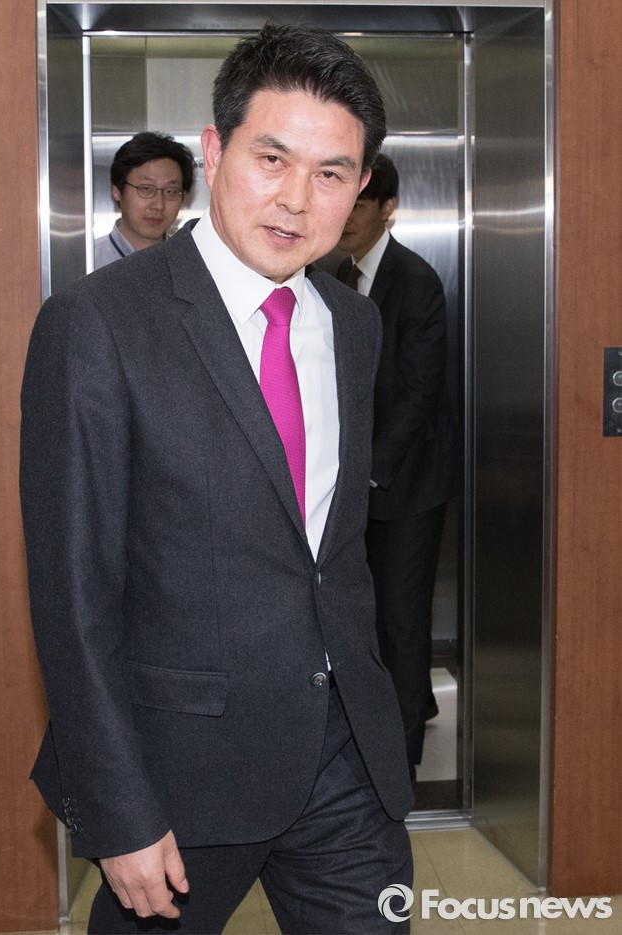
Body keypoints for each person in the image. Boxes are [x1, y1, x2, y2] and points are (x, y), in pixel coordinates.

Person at [21, 24, 413, 935]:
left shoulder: (353, 326)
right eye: (271, 158)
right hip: (178, 773)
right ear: (214, 150)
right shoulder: (98, 322)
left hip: (345, 760)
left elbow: (331, 550)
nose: (296, 199)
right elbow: (74, 596)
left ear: (361, 186)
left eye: (331, 173)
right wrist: (118, 807)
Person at [336, 154, 459, 782]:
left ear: (388, 209)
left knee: (402, 621)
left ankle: (402, 766)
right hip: (361, 483)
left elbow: (417, 394)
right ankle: (410, 712)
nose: (347, 216)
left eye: (360, 204)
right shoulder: (339, 273)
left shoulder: (415, 281)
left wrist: (369, 470)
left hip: (407, 485)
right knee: (373, 616)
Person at [93, 131, 195, 269]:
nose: (159, 205)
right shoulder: (89, 263)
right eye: (146, 189)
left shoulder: (190, 264)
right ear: (117, 191)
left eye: (171, 191)